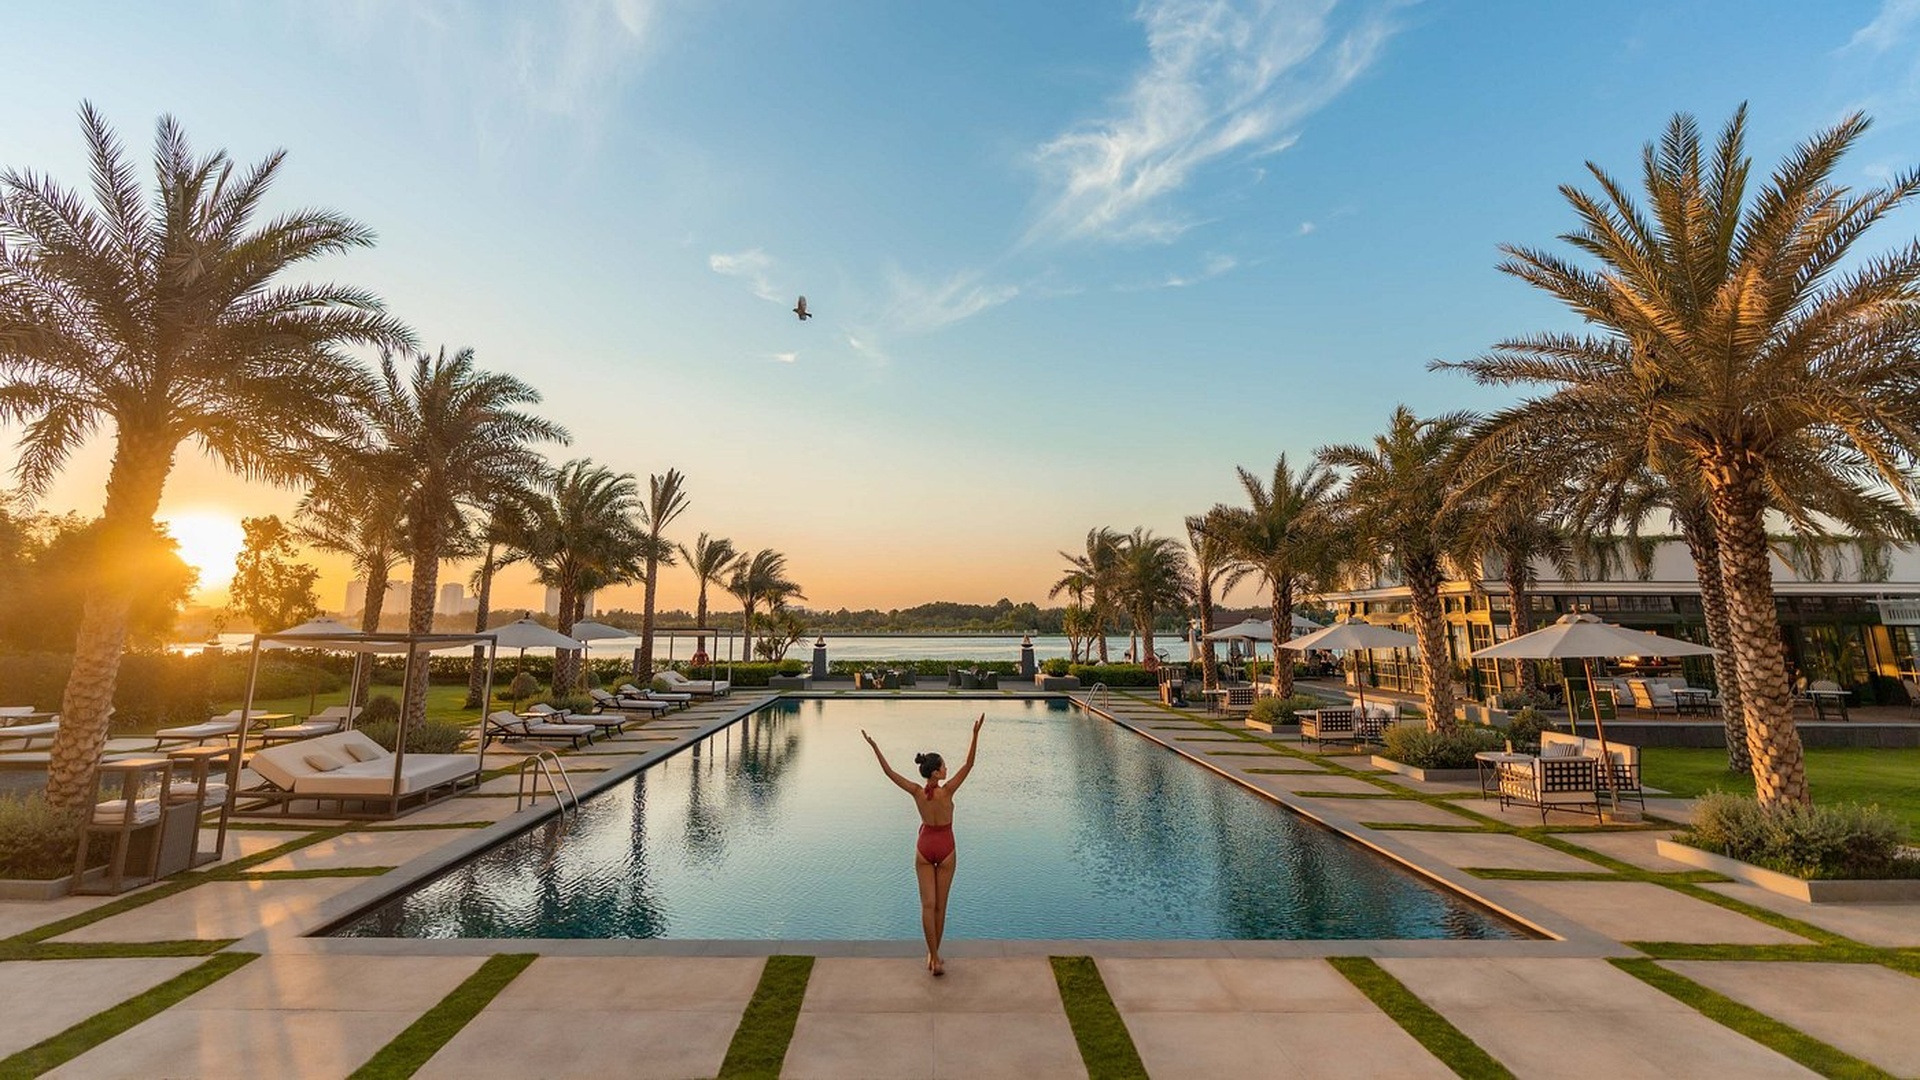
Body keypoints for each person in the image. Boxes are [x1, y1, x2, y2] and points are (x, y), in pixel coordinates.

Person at [861, 715, 983, 976]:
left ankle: (934, 957)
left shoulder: (917, 791)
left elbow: (889, 773)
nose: (947, 769)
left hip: (925, 846)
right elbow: (970, 764)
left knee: (927, 906)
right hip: (946, 846)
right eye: (944, 766)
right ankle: (934, 956)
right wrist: (975, 734)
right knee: (940, 906)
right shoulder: (948, 790)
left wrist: (875, 747)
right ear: (937, 772)